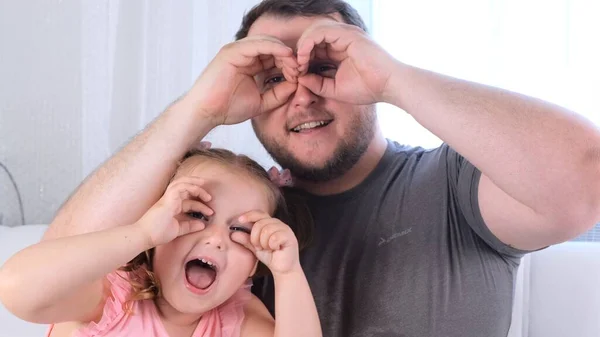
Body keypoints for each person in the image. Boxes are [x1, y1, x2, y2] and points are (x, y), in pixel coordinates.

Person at [37, 0, 600, 336]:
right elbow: (53, 277)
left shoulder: (453, 185)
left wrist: (395, 79)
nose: (303, 96)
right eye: (273, 76)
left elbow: (584, 179)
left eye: (327, 67)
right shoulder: (223, 211)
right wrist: (195, 111)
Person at [0, 149, 322, 337]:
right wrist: (142, 233)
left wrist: (288, 273)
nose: (215, 239)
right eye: (197, 215)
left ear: (252, 264)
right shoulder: (113, 296)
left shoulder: (235, 321)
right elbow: (17, 289)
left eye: (240, 230)